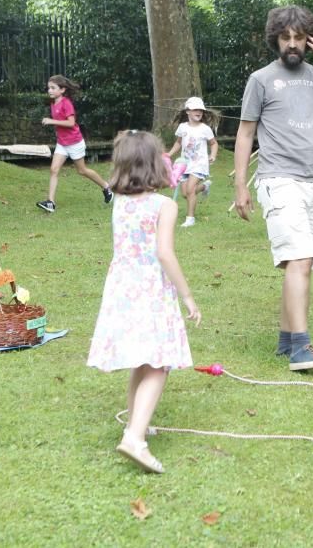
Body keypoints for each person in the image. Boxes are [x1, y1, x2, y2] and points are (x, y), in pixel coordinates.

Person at [232, 6, 313, 372]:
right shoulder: (260, 79)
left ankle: (287, 338)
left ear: (308, 39)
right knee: (299, 259)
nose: (291, 44)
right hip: (278, 179)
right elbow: (244, 133)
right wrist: (241, 185)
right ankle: (302, 347)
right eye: (285, 38)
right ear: (275, 39)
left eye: (298, 38)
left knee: (302, 262)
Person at [87, 130, 200, 475]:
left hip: (122, 288)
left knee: (142, 357)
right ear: (156, 164)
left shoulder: (119, 202)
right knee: (159, 362)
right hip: (150, 289)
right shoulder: (165, 205)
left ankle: (136, 423)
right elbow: (164, 253)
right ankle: (135, 437)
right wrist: (188, 296)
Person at [36, 75, 113, 213]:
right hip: (62, 144)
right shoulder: (54, 104)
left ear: (62, 89)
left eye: (53, 88)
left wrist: (52, 121)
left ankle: (106, 187)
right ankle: (50, 203)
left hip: (74, 143)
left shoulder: (66, 103)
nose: (50, 90)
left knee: (82, 171)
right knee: (54, 170)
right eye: (49, 88)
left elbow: (71, 123)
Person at [168, 96, 219, 228]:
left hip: (199, 164)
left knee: (190, 190)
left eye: (201, 110)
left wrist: (212, 155)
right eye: (195, 109)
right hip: (184, 164)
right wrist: (169, 154)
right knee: (186, 194)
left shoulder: (205, 128)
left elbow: (213, 144)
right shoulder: (182, 127)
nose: (199, 112)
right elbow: (178, 143)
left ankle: (190, 219)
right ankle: (204, 187)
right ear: (188, 112)